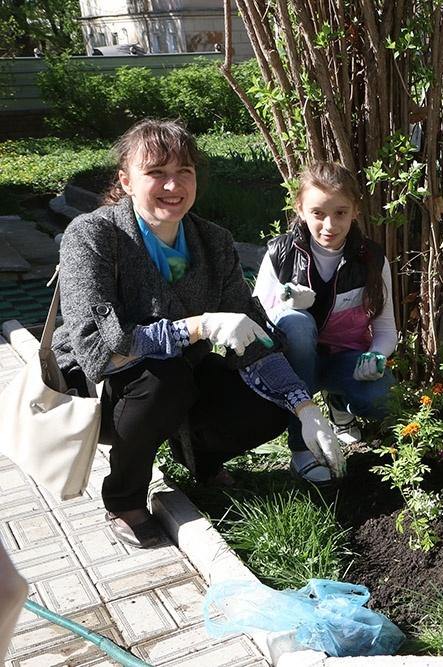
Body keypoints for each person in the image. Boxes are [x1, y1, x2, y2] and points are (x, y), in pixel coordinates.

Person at [52, 119, 344, 549]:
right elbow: (96, 349)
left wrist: (304, 407)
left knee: (266, 401)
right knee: (162, 380)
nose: (173, 185)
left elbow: (254, 335)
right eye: (156, 172)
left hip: (182, 373)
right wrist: (199, 326)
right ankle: (125, 498)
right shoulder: (95, 235)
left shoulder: (212, 240)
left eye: (184, 171)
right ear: (127, 180)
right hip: (104, 386)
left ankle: (202, 457)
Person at [254, 161, 397, 484]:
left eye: (340, 213)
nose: (329, 225)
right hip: (292, 368)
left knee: (383, 397)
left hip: (343, 360)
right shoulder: (280, 254)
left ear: (355, 211)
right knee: (297, 324)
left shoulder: (372, 259)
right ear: (300, 209)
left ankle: (338, 406)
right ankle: (301, 450)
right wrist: (284, 307)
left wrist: (377, 355)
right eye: (318, 213)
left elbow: (386, 328)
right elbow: (259, 324)